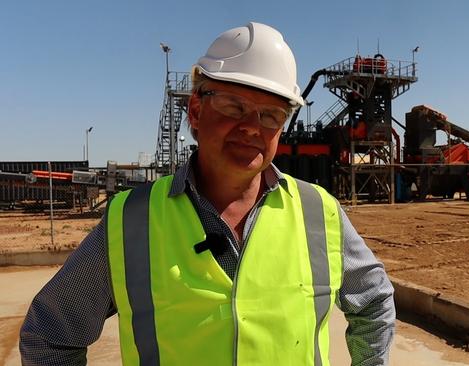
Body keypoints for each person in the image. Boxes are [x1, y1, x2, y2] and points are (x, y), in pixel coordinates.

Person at [20, 22, 395, 365]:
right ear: (196, 111)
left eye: (271, 115)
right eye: (234, 106)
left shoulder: (319, 212)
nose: (252, 128)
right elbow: (50, 335)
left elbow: (374, 302)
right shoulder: (131, 220)